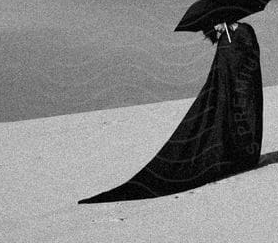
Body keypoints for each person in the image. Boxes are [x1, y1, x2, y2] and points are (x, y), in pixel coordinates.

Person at [78, 19, 263, 202]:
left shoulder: (245, 30)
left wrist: (238, 56)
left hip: (246, 86)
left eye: (215, 24)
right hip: (226, 89)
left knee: (247, 115)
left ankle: (245, 155)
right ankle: (231, 156)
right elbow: (222, 67)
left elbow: (252, 54)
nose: (215, 28)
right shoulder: (224, 39)